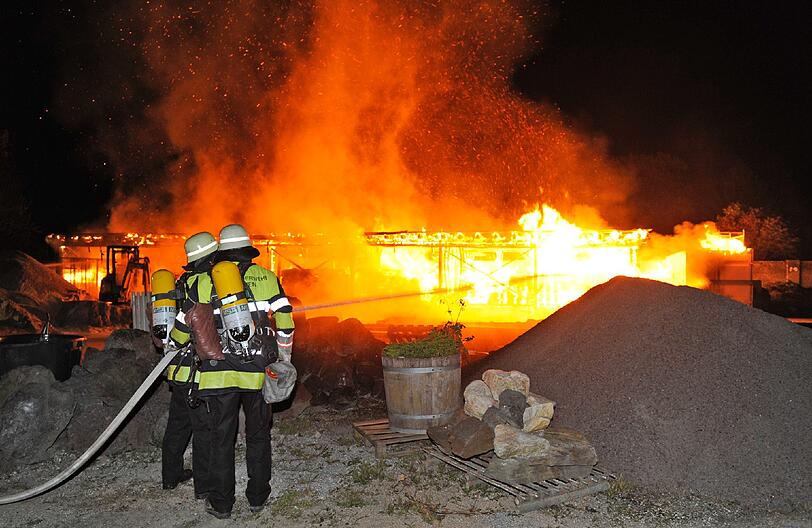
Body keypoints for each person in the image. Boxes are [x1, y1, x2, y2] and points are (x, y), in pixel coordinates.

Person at [182, 223, 295, 519]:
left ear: (221, 251)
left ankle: (221, 504)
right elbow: (285, 320)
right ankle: (257, 497)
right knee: (258, 435)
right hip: (257, 371)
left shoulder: (202, 281)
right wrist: (284, 357)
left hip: (217, 374)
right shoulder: (267, 277)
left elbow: (186, 323)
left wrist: (176, 343)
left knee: (221, 438)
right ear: (247, 249)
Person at [161, 232, 217, 498]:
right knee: (203, 429)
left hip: (178, 367)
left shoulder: (183, 281)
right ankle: (203, 488)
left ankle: (170, 477)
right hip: (199, 371)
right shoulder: (208, 283)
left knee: (177, 425)